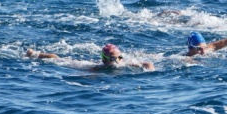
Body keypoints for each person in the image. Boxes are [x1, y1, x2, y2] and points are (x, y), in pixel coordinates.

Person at [25, 43, 155, 71]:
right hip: (81, 65)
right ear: (104, 59)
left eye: (119, 57)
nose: (117, 61)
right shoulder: (96, 68)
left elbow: (147, 63)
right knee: (58, 59)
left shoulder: (122, 63)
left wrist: (150, 71)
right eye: (113, 59)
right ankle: (33, 54)